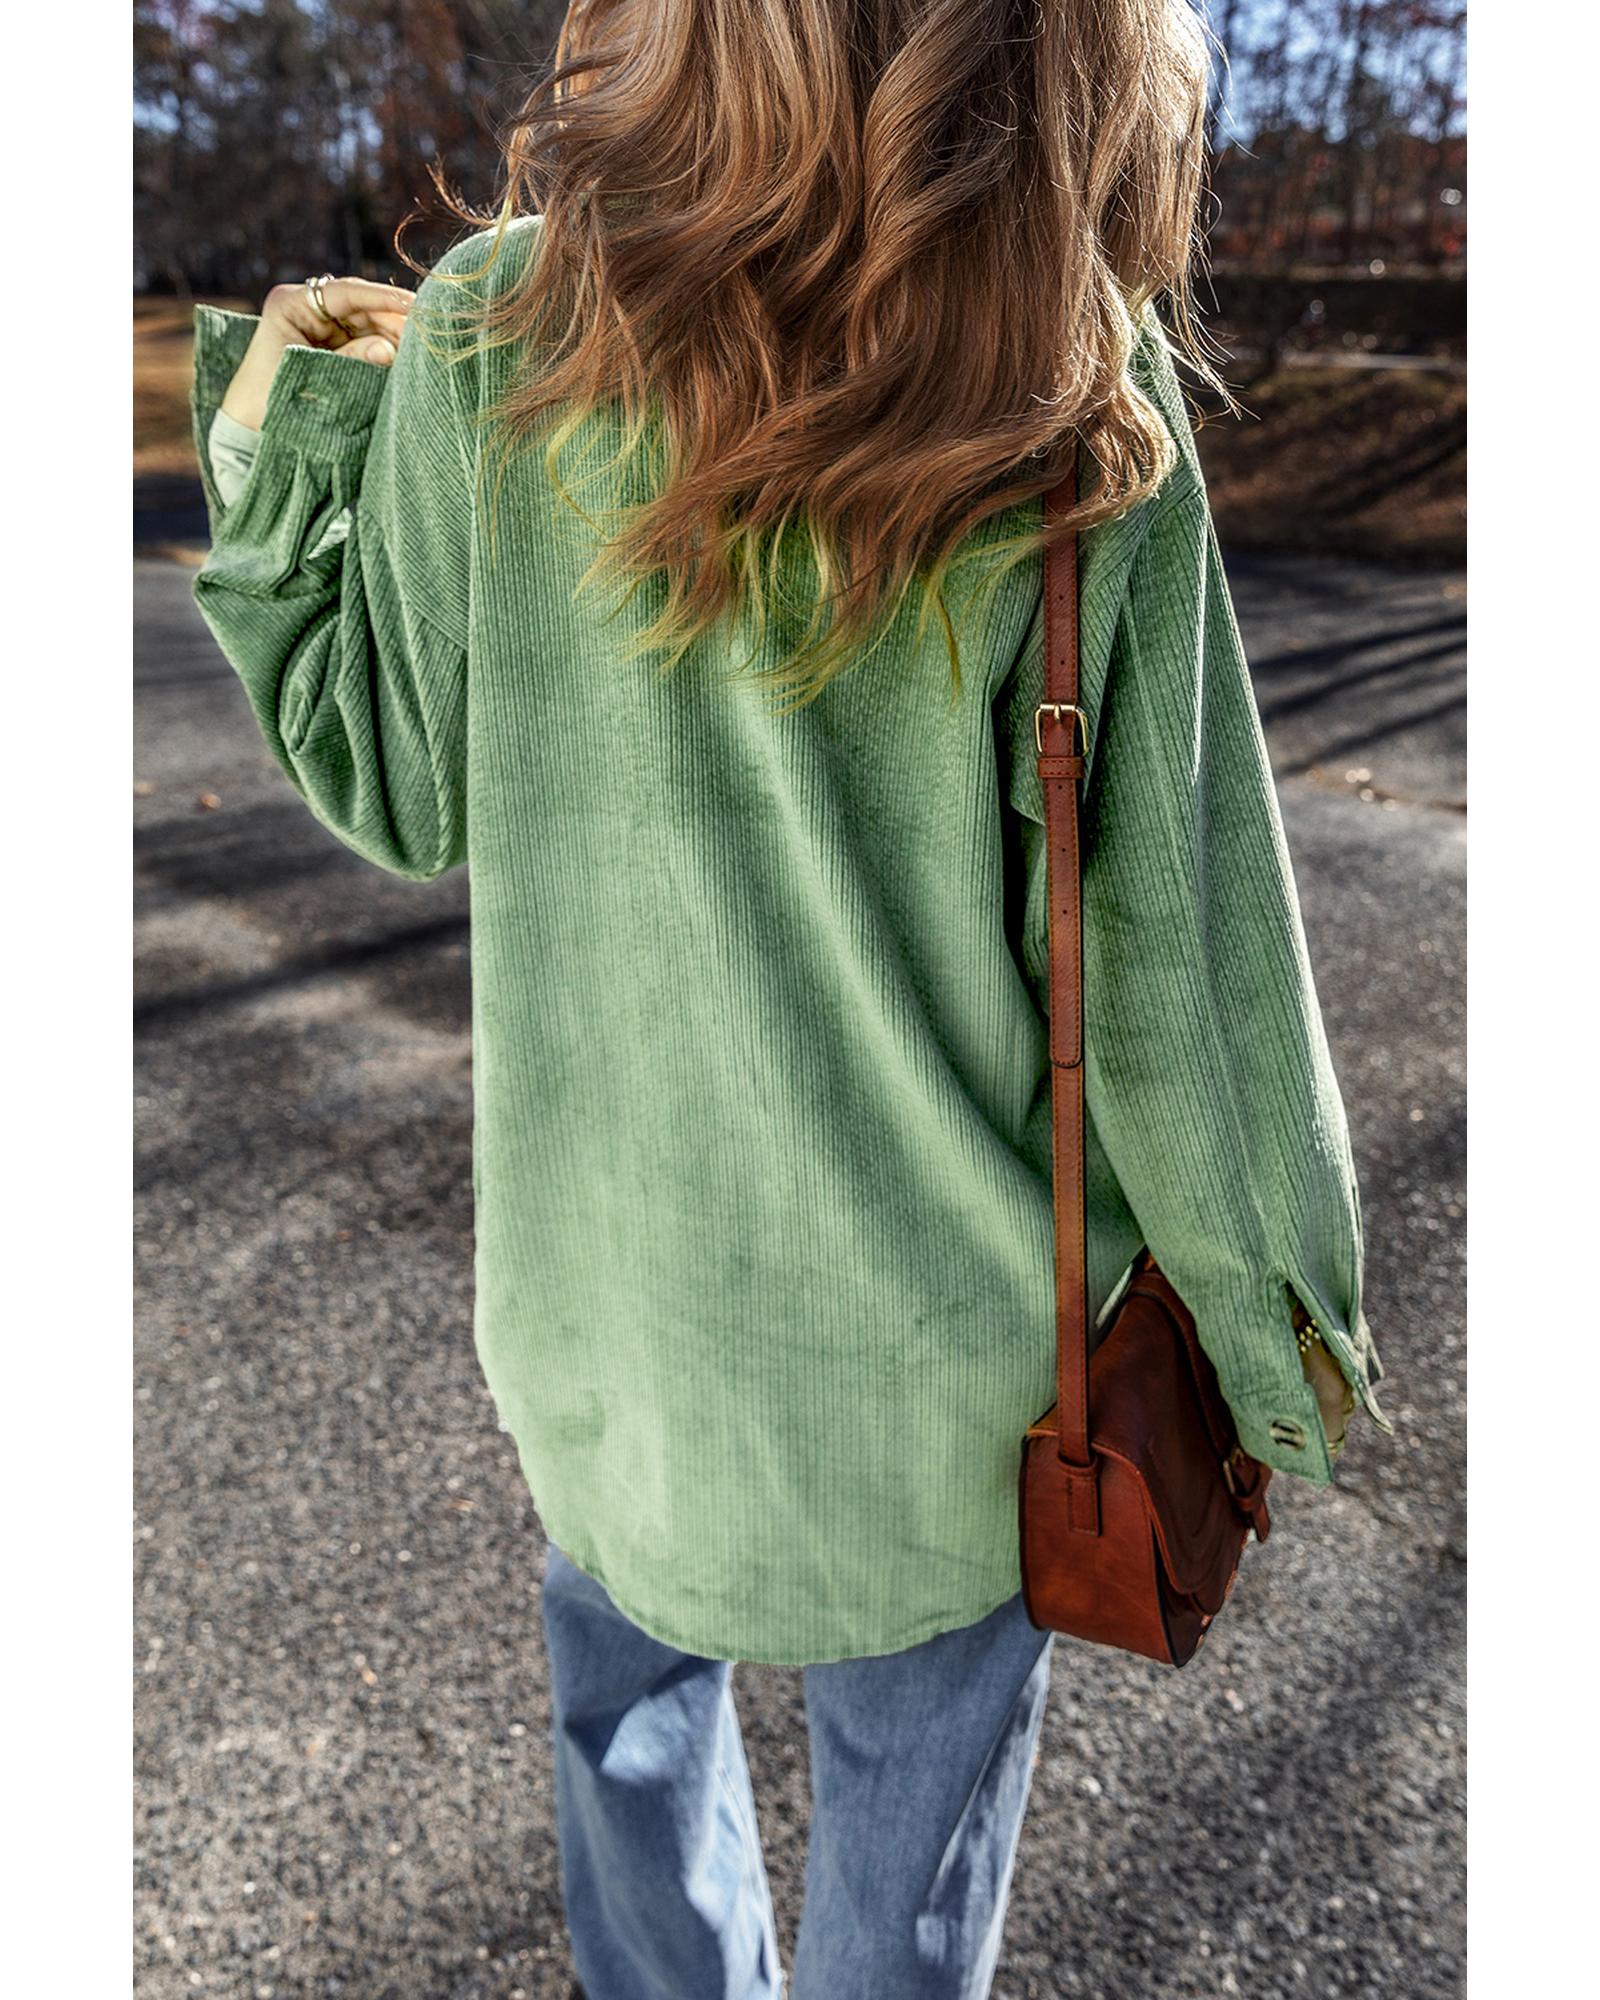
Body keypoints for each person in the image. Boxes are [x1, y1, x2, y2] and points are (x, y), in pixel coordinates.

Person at [186, 2, 1393, 1993]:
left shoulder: (500, 330)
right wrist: (1283, 1350)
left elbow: (384, 773)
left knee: (625, 1744)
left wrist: (305, 423)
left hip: (608, 1341)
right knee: (903, 1891)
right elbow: (1183, 969)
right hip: (947, 1385)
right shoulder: (1073, 393)